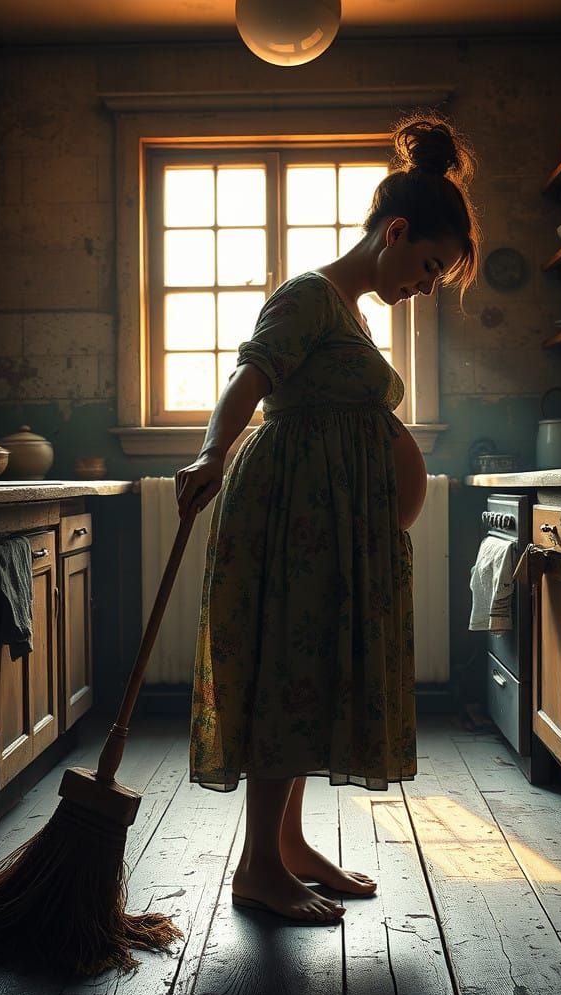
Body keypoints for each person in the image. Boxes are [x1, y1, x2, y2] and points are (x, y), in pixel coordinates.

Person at [175, 114, 481, 923]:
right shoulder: (310, 294)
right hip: (292, 516)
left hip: (331, 521)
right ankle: (255, 870)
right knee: (286, 671)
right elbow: (250, 377)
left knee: (309, 671)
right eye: (427, 267)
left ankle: (290, 847)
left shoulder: (352, 311)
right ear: (397, 230)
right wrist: (210, 455)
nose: (424, 286)